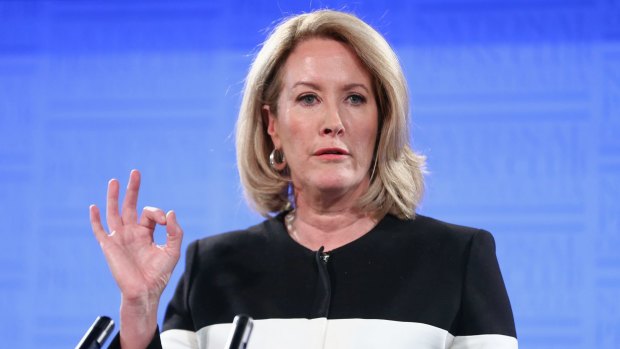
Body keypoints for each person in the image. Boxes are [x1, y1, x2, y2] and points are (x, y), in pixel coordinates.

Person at [89, 9, 517, 349]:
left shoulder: (457, 259)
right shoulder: (213, 268)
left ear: (383, 119)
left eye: (355, 98)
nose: (333, 122)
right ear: (272, 123)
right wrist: (140, 311)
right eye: (308, 98)